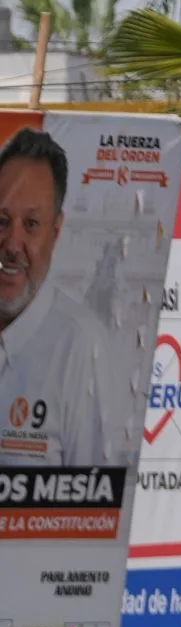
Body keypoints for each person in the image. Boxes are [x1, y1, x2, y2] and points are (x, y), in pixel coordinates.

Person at [0, 126, 114, 467]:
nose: (11, 244)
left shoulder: (80, 345)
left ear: (56, 230)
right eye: (1, 220)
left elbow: (93, 508)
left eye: (31, 224)